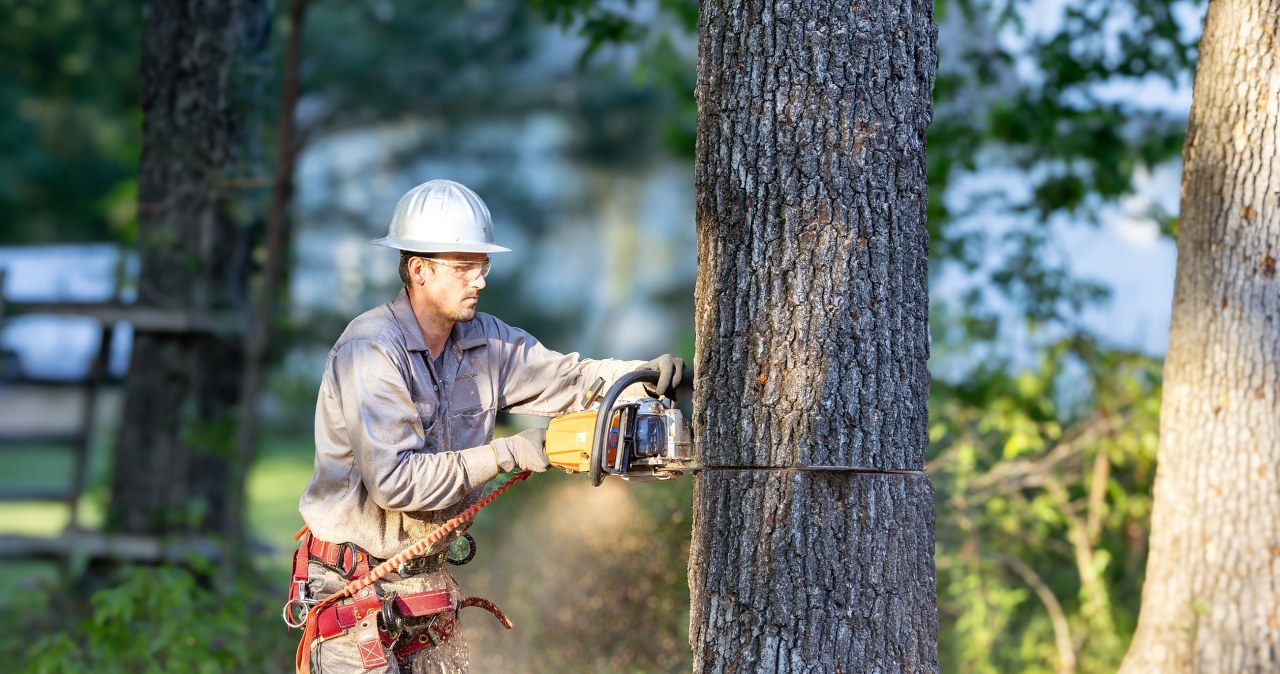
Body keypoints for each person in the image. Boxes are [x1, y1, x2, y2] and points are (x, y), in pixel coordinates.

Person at [292, 179, 684, 674]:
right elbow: (395, 483)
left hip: (423, 586)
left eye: (483, 265)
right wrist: (509, 452)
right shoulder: (370, 351)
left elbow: (573, 380)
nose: (478, 280)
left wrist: (645, 380)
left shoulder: (487, 343)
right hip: (353, 590)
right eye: (463, 268)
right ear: (419, 270)